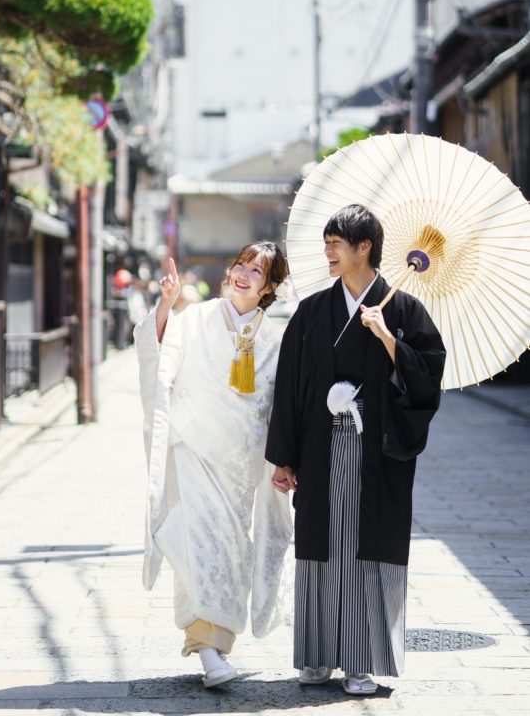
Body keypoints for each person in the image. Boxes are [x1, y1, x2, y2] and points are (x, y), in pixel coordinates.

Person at [265, 204, 446, 696]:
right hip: (321, 446)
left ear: (364, 247)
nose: (327, 251)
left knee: (367, 548)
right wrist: (285, 455)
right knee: (321, 547)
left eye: (335, 243)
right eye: (326, 242)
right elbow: (290, 386)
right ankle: (318, 655)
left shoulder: (403, 310)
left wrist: (389, 339)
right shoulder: (311, 312)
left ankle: (362, 660)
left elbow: (428, 380)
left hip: (376, 451)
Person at [134, 243, 293, 688]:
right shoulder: (197, 318)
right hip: (195, 457)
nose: (243, 274)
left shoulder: (275, 340)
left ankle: (217, 646)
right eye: (240, 265)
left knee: (232, 556)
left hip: (242, 471)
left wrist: (283, 460)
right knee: (198, 547)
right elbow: (160, 353)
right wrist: (167, 303)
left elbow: (279, 407)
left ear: (270, 287)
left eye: (256, 271)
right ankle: (207, 652)